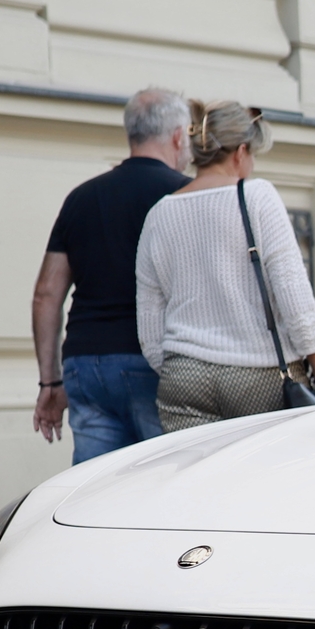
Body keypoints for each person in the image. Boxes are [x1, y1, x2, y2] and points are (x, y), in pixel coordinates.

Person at [136, 101, 315, 427]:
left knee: (197, 478)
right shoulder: (258, 196)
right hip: (259, 375)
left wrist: (186, 366)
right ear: (240, 151)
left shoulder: (158, 213)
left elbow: (150, 329)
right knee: (266, 476)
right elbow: (295, 299)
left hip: (183, 377)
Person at [33, 87, 191, 461]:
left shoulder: (81, 198)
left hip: (84, 365)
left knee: (95, 492)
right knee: (165, 483)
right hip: (153, 362)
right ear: (178, 137)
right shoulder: (184, 196)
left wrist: (50, 381)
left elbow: (46, 294)